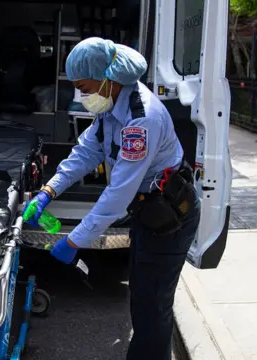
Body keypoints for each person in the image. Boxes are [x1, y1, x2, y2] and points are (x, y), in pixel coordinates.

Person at [23, 37, 201, 360]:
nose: (81, 95)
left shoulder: (140, 119)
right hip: (150, 213)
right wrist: (48, 192)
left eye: (84, 87)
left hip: (171, 217)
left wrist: (74, 241)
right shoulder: (111, 109)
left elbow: (117, 196)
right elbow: (85, 153)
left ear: (108, 78)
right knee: (144, 299)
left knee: (153, 308)